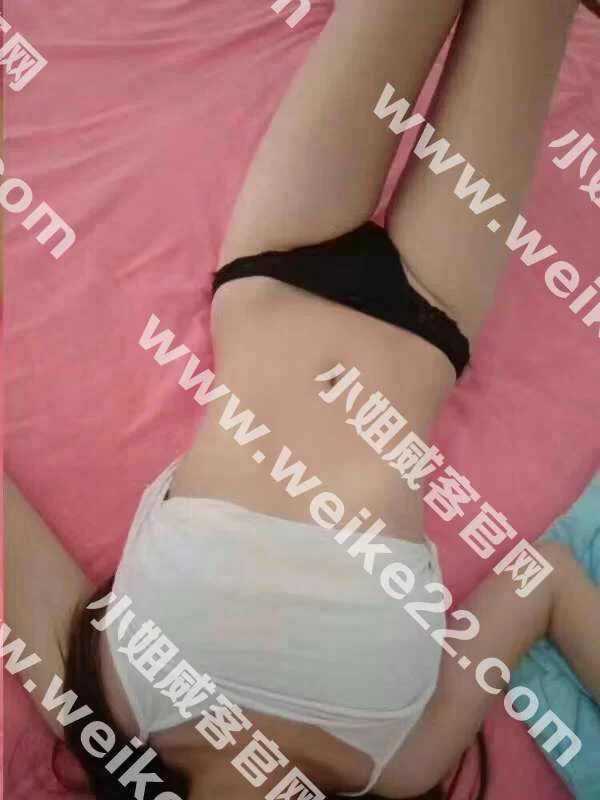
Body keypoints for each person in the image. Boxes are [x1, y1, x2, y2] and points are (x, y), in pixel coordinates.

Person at [5, 1, 600, 799]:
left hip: (282, 264)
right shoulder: (402, 766)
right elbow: (545, 580)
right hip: (432, 315)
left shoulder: (108, 714)